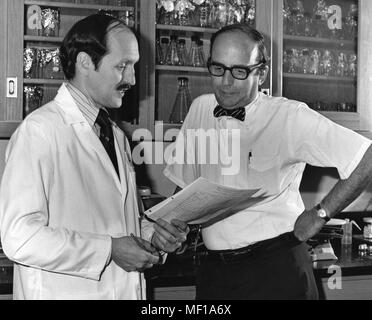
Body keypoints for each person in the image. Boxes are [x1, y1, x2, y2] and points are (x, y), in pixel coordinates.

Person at [163, 23, 372, 300]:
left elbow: (366, 156)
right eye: (218, 68)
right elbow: (185, 188)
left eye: (239, 71)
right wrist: (174, 228)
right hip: (214, 271)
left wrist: (320, 214)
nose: (226, 82)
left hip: (276, 269)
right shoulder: (200, 108)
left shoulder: (289, 117)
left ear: (261, 73)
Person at [0, 13, 188, 300]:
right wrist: (109, 249)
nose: (132, 79)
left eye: (134, 67)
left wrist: (153, 236)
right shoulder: (39, 132)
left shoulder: (116, 135)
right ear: (86, 62)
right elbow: (20, 237)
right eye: (123, 66)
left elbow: (120, 223)